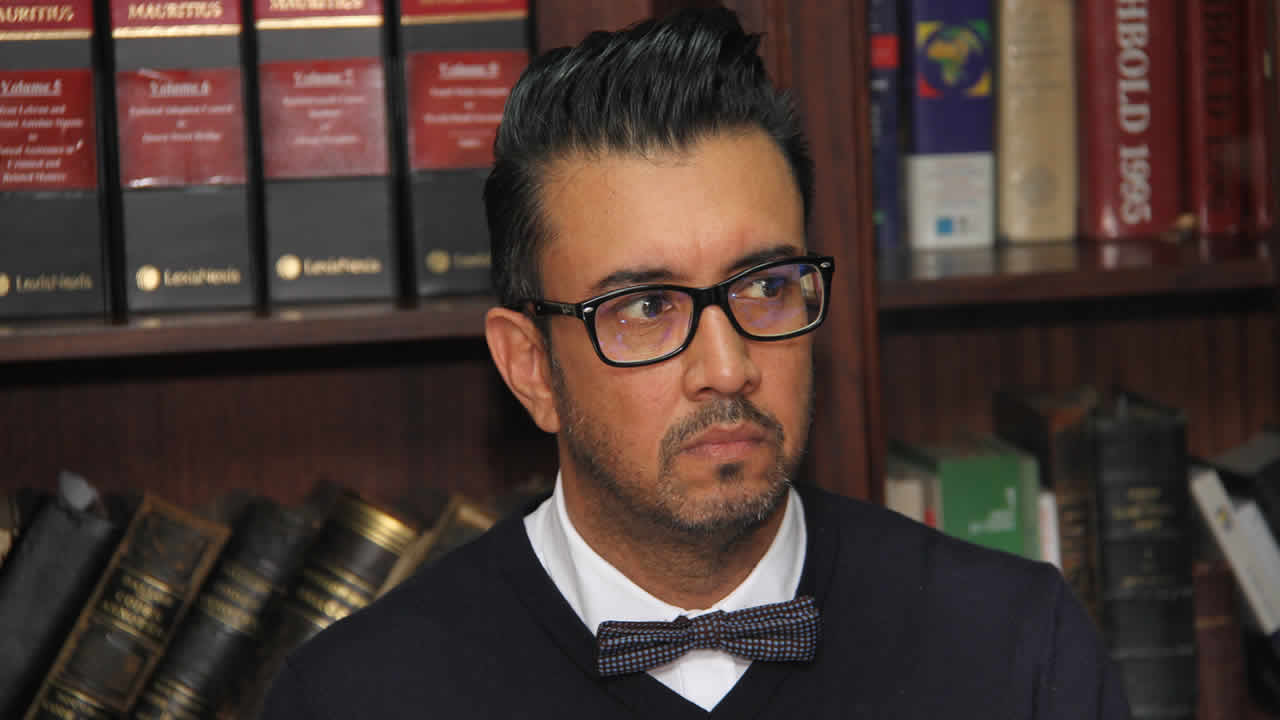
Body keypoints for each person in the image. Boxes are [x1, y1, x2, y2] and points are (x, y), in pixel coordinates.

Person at [259, 8, 1131, 719]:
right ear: (531, 369)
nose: (728, 366)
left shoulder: (1019, 647)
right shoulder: (355, 697)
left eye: (767, 288)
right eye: (646, 307)